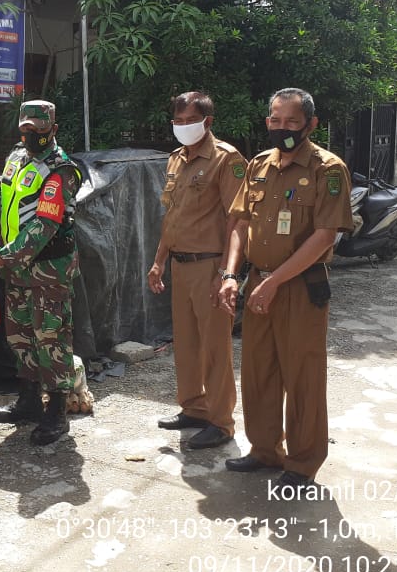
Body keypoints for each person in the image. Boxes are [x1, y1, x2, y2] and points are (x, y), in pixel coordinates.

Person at [218, 88, 352, 490]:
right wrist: (230, 274)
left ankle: (302, 462)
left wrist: (274, 282)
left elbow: (325, 236)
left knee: (302, 375)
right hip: (259, 283)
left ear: (310, 124)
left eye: (292, 122)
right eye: (275, 121)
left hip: (298, 287)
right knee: (259, 371)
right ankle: (263, 450)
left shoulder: (328, 169)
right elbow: (241, 225)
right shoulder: (259, 165)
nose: (282, 129)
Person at [0, 100, 82, 446]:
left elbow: (45, 224)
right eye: (25, 130)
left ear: (52, 130)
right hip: (18, 269)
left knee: (51, 338)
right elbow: (4, 191)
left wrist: (5, 256)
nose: (29, 137)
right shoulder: (16, 157)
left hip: (48, 268)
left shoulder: (61, 169)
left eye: (37, 132)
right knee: (20, 334)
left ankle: (56, 412)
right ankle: (28, 401)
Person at [147, 92, 245, 449]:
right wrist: (159, 261)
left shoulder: (226, 159)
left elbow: (238, 219)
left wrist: (228, 272)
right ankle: (194, 408)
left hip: (210, 266)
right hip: (180, 265)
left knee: (214, 347)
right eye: (179, 120)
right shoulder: (175, 160)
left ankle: (221, 423)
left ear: (208, 121)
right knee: (186, 343)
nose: (184, 127)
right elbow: (171, 218)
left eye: (191, 120)